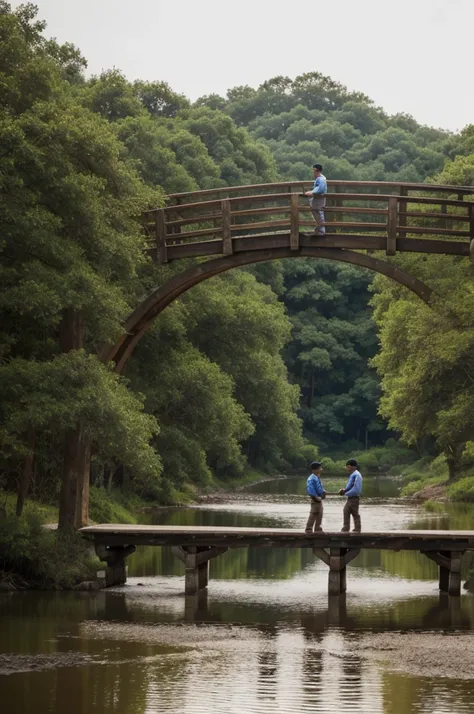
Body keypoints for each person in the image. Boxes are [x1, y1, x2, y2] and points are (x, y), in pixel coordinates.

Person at [339, 459, 363, 532]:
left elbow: (356, 489)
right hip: (351, 498)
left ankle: (357, 529)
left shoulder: (357, 475)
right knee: (346, 511)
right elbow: (350, 486)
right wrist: (344, 490)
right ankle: (346, 528)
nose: (346, 468)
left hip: (354, 498)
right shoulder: (353, 475)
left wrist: (346, 493)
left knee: (354, 513)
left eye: (347, 467)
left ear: (350, 466)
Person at [304, 163, 327, 235]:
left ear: (317, 171)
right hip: (318, 200)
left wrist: (312, 192)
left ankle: (321, 232)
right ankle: (319, 230)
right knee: (318, 215)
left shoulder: (321, 179)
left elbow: (321, 189)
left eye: (314, 171)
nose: (313, 173)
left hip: (319, 200)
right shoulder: (321, 178)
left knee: (319, 215)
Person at [305, 461, 327, 533]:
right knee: (314, 513)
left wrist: (322, 492)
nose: (321, 469)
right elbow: (310, 489)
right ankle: (308, 529)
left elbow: (318, 488)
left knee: (320, 513)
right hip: (315, 499)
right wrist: (315, 497)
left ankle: (318, 529)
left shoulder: (316, 477)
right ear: (315, 470)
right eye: (319, 468)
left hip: (319, 499)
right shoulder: (311, 478)